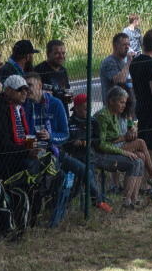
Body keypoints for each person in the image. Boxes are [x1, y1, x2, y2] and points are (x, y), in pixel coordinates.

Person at [23, 75, 111, 212]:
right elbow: (24, 133)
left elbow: (64, 134)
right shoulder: (25, 105)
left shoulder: (55, 104)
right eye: (24, 86)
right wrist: (31, 147)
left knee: (84, 170)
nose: (26, 90)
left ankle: (97, 201)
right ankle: (39, 209)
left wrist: (50, 137)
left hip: (54, 150)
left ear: (40, 86)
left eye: (30, 85)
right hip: (32, 151)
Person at [95, 87, 152, 208]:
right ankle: (127, 200)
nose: (123, 106)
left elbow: (115, 138)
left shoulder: (115, 114)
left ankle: (134, 199)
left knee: (141, 157)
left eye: (125, 103)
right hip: (102, 154)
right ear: (111, 101)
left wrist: (129, 133)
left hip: (113, 148)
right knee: (136, 160)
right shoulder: (103, 116)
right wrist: (124, 152)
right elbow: (101, 144)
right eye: (121, 102)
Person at [0, 75, 41, 183]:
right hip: (0, 158)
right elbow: (2, 144)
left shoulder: (19, 108)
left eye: (26, 89)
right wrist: (26, 152)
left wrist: (35, 147)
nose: (24, 93)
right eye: (19, 90)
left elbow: (25, 135)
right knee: (33, 165)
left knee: (48, 158)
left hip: (16, 153)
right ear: (8, 90)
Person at [34, 40, 73, 113]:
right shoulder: (39, 70)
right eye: (57, 53)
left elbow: (67, 90)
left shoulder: (63, 70)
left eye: (63, 53)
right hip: (46, 114)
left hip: (63, 112)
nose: (61, 56)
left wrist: (69, 97)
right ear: (48, 54)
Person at [100, 33, 135, 109]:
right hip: (113, 107)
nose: (127, 47)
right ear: (115, 46)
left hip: (125, 107)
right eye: (124, 45)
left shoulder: (124, 62)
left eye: (129, 45)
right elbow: (120, 80)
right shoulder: (109, 62)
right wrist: (129, 62)